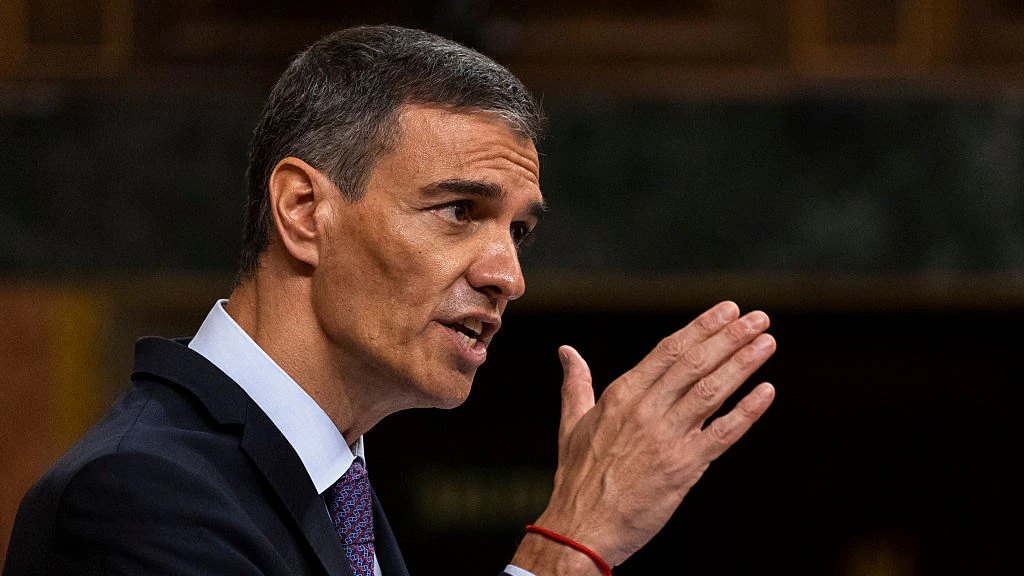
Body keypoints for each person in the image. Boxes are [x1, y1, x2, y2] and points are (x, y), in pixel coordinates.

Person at [3, 25, 776, 576]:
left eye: (519, 231)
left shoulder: (339, 490)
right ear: (305, 212)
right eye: (460, 212)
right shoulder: (137, 491)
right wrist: (565, 549)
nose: (508, 275)